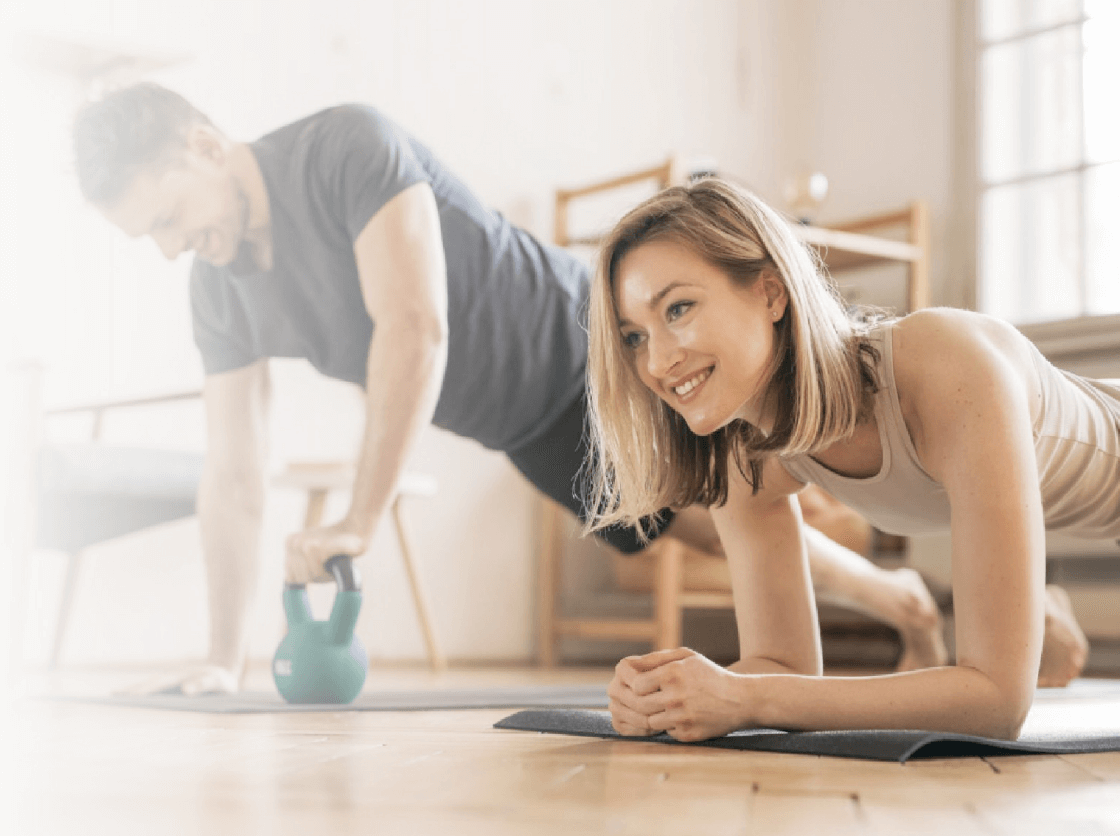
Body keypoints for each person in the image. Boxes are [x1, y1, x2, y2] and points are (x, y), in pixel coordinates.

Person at [69, 84, 1058, 695]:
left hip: (583, 355)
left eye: (167, 215)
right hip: (521, 425)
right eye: (145, 238)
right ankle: (902, 601)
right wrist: (220, 657)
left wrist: (359, 519)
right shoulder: (219, 287)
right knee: (695, 527)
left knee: (730, 510)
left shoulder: (343, 150)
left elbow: (416, 328)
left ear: (202, 143)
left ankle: (913, 600)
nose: (169, 248)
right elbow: (234, 474)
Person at [586, 178, 1101, 742]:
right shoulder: (743, 460)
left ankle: (1038, 611)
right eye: (634, 337)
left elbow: (998, 703)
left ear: (771, 293)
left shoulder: (947, 366)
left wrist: (748, 696)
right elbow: (782, 669)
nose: (658, 361)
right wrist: (672, 694)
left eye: (678, 308)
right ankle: (1037, 610)